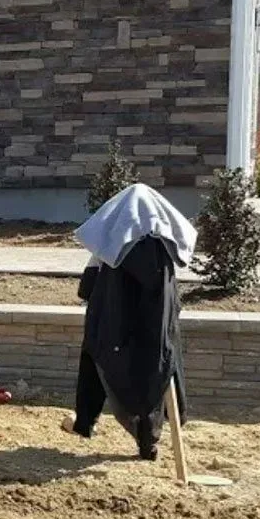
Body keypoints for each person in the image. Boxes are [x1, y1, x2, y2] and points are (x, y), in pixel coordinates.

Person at [62, 185, 197, 460]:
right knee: (154, 372)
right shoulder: (164, 248)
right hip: (156, 330)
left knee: (97, 355)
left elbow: (87, 289)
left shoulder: (111, 244)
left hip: (114, 326)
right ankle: (148, 444)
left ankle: (87, 421)